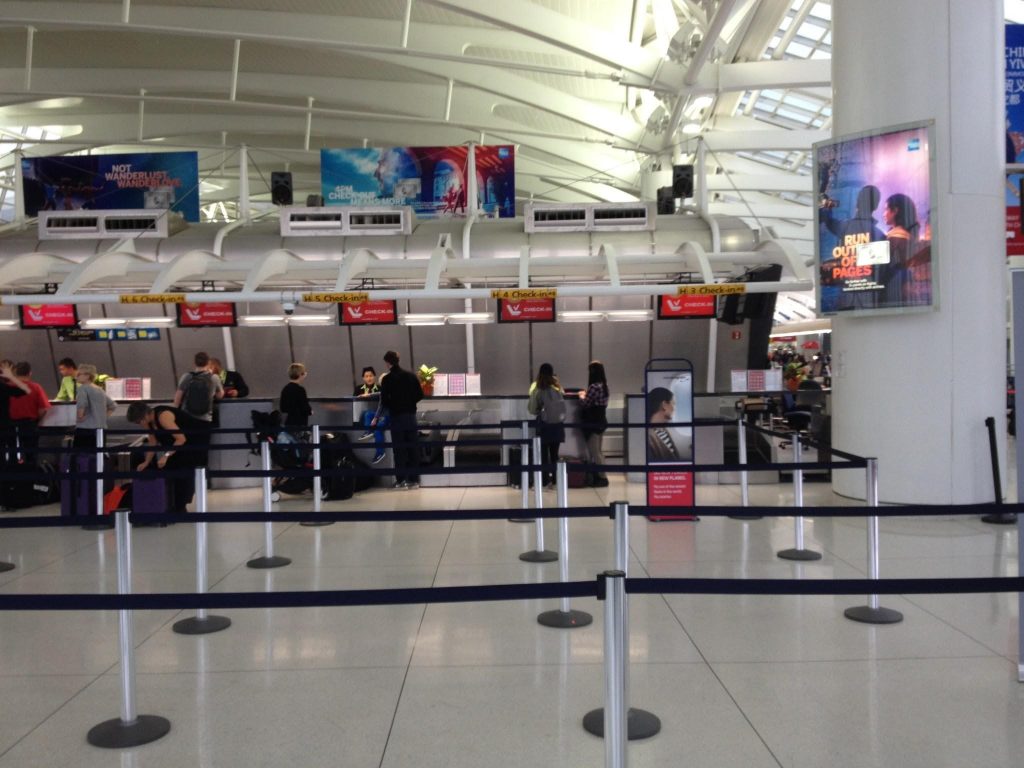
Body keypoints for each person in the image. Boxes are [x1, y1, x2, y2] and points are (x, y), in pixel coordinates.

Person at [126, 402, 205, 514]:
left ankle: (181, 506)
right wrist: (146, 462)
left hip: (193, 442)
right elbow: (153, 442)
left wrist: (166, 456)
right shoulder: (147, 422)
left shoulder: (163, 416)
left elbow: (181, 439)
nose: (139, 424)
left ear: (144, 416)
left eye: (138, 421)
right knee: (170, 469)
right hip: (176, 445)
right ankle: (173, 504)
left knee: (183, 470)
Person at [378, 350, 422, 489]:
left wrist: (395, 404)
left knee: (399, 449)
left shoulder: (387, 379)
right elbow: (420, 394)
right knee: (412, 448)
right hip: (410, 416)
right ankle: (414, 480)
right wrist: (409, 402)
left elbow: (384, 400)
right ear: (398, 359)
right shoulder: (411, 376)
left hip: (396, 417)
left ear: (387, 363)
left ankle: (401, 480)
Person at [173, 351, 222, 468]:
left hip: (187, 419)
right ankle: (203, 479)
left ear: (194, 362)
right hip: (205, 420)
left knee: (188, 449)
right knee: (202, 451)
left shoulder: (187, 376)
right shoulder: (213, 378)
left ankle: (189, 478)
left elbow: (177, 399)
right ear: (208, 362)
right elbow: (220, 395)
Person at [528, 362, 566, 488]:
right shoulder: (558, 388)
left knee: (543, 456)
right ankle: (556, 482)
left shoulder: (538, 389)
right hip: (558, 426)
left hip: (544, 426)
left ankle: (544, 482)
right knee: (555, 455)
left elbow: (533, 410)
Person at [880, 192, 920, 308]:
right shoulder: (903, 233)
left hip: (896, 287)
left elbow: (881, 264)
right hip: (902, 285)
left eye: (886, 209)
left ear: (895, 211)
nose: (883, 214)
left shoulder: (897, 236)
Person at [8, 362, 51, 464]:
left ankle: (11, 476)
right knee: (31, 454)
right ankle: (31, 477)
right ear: (29, 373)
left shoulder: (6, 388)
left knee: (11, 453)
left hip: (9, 426)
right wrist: (36, 420)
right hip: (29, 425)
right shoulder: (36, 387)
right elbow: (43, 409)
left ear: (15, 373)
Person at [577, 360, 610, 487]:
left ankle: (603, 478)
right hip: (602, 420)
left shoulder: (594, 387)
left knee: (595, 452)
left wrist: (581, 395)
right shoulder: (605, 386)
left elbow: (586, 404)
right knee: (599, 452)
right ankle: (601, 476)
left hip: (593, 422)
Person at [73, 364, 116, 449]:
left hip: (85, 429)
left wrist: (79, 417)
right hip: (101, 429)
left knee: (82, 458)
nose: (76, 377)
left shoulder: (83, 389)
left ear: (87, 376)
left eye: (79, 374)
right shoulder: (99, 390)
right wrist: (103, 417)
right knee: (98, 457)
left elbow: (81, 407)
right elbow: (113, 405)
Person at [0, 359, 30, 470]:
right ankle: (11, 480)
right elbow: (25, 390)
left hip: (5, 424)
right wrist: (12, 377)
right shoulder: (3, 387)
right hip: (5, 424)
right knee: (12, 452)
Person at [355, 366, 387, 465]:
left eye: (371, 376)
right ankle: (369, 430)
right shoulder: (358, 389)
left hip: (385, 415)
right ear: (363, 378)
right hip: (376, 414)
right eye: (366, 376)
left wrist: (376, 417)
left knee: (378, 429)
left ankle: (380, 452)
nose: (369, 378)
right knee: (367, 414)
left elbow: (380, 399)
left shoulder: (382, 389)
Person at [646, 387, 681, 462]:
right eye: (673, 404)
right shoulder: (648, 436)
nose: (674, 409)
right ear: (664, 405)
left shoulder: (664, 430)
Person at [280, 363, 312, 428]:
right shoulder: (300, 390)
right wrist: (310, 411)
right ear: (300, 374)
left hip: (289, 423)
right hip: (300, 423)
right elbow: (305, 408)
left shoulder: (285, 389)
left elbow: (283, 408)